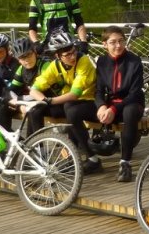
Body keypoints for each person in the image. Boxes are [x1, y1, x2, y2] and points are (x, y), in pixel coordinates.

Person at [28, 29, 101, 174]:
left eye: (73, 51)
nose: (72, 56)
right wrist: (43, 100)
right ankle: (40, 155)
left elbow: (75, 94)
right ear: (57, 55)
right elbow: (34, 88)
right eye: (67, 55)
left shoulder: (83, 61)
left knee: (70, 109)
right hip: (68, 103)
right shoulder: (54, 66)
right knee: (35, 110)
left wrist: (50, 100)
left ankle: (93, 159)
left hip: (90, 102)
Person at [94, 25, 145, 182]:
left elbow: (135, 93)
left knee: (129, 113)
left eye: (121, 41)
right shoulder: (102, 62)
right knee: (74, 110)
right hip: (109, 105)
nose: (118, 45)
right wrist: (101, 106)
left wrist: (113, 109)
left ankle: (125, 163)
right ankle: (90, 158)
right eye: (113, 42)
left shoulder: (134, 61)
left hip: (132, 103)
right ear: (105, 44)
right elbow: (98, 91)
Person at [7, 38, 61, 135]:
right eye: (22, 58)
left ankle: (37, 146)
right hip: (39, 103)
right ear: (18, 60)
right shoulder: (21, 69)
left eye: (29, 55)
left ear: (35, 52)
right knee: (1, 108)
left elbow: (43, 93)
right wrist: (19, 104)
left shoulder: (45, 65)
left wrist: (19, 100)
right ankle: (28, 143)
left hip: (56, 102)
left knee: (34, 111)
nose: (27, 60)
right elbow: (11, 90)